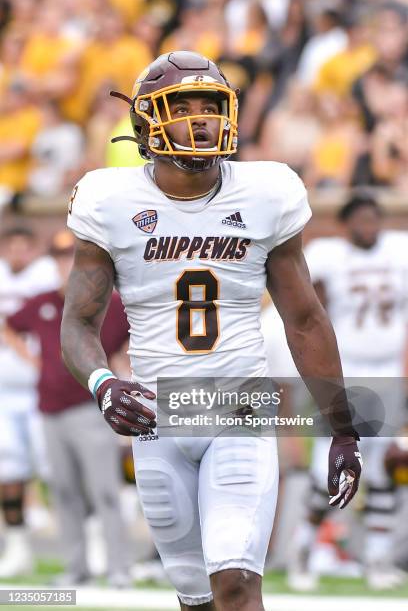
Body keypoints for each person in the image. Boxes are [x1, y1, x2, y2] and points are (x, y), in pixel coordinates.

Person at [61, 51, 362, 610]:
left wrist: (342, 429)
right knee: (196, 598)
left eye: (211, 106)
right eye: (183, 107)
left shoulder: (266, 191)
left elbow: (305, 319)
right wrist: (103, 382)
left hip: (238, 410)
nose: (201, 119)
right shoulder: (109, 199)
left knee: (236, 582)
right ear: (147, 121)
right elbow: (79, 322)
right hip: (159, 417)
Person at [288, 193, 408, 591]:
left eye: (374, 216)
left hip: (388, 371)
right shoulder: (328, 255)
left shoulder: (399, 249)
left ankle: (377, 557)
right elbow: (308, 302)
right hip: (346, 373)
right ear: (345, 225)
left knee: (382, 470)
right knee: (330, 470)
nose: (368, 224)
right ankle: (303, 550)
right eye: (360, 218)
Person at [5, 230, 132, 587]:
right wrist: (34, 361)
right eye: (60, 259)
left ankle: (118, 567)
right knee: (63, 491)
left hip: (90, 408)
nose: (66, 266)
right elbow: (10, 326)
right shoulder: (44, 302)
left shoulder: (109, 305)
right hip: (49, 408)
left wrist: (121, 367)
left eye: (71, 259)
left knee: (104, 490)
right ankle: (76, 569)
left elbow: (135, 333)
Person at [0, 225, 59, 578]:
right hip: (5, 390)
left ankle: (90, 541)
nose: (19, 251)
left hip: (42, 389)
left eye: (26, 245)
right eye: (12, 245)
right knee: (9, 471)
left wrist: (37, 360)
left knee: (57, 469)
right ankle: (18, 547)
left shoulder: (47, 274)